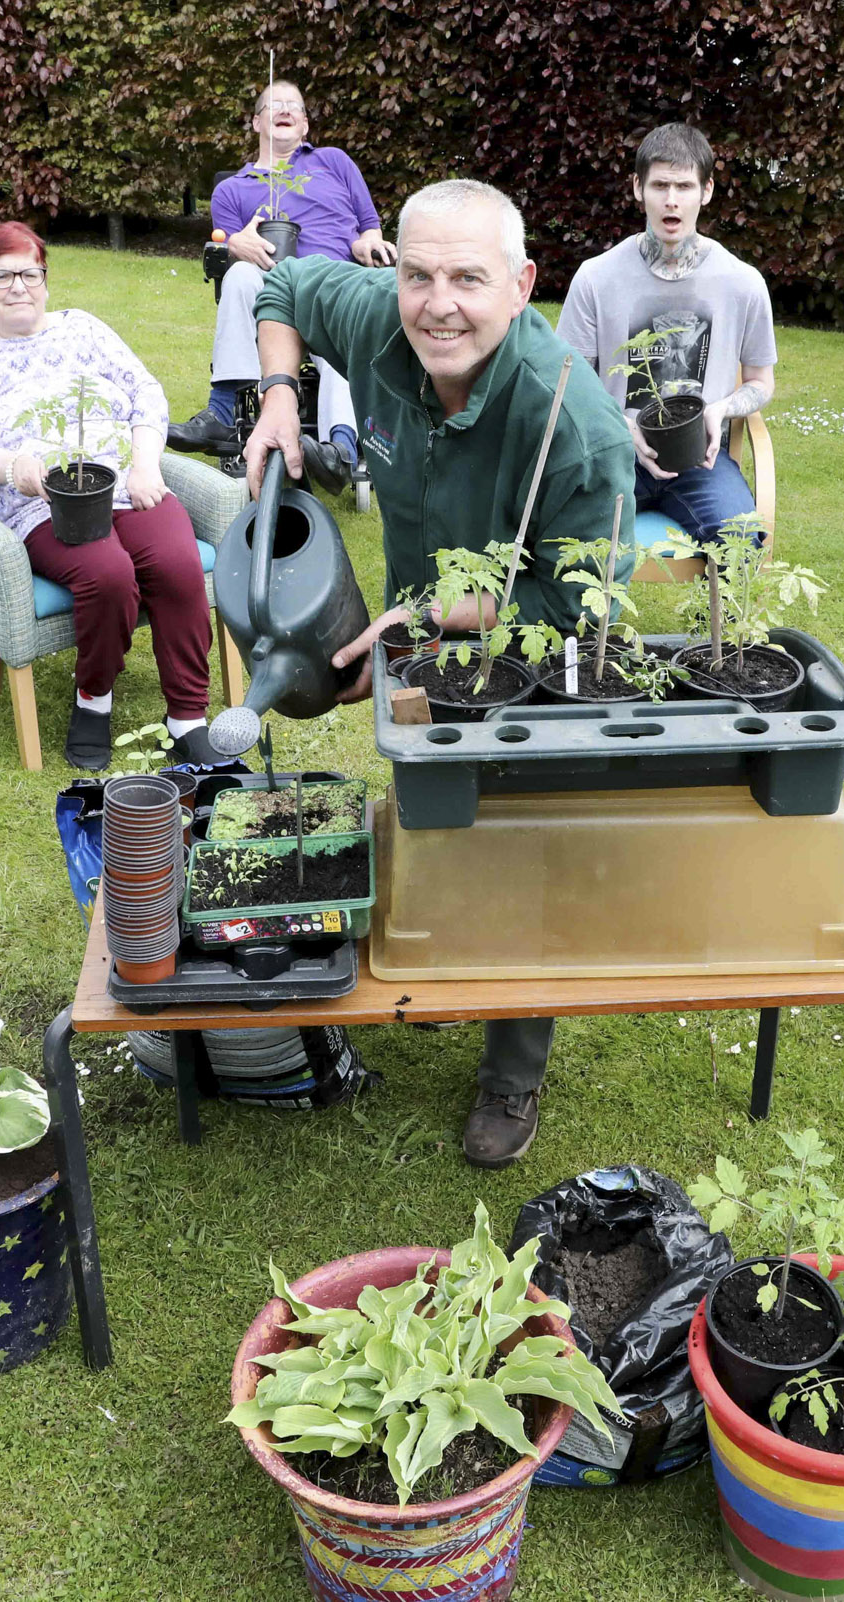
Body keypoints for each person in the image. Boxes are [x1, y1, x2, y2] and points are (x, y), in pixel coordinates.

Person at [245, 178, 635, 1169]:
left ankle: (513, 1070)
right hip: (414, 635)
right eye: (418, 274)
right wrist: (279, 398)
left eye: (468, 277)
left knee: (523, 852)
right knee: (429, 802)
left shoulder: (573, 426)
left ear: (521, 284)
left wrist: (428, 616)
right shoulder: (381, 318)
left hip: (534, 659)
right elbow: (282, 282)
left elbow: (581, 605)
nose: (438, 303)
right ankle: (450, 951)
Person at [0, 221, 217, 771]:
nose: (18, 286)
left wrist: (144, 465)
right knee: (107, 575)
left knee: (179, 563)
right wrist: (17, 468)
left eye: (30, 273)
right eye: (3, 275)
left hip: (123, 483)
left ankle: (187, 716)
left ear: (46, 279)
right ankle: (94, 700)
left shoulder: (82, 330)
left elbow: (145, 395)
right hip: (41, 501)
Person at [167, 78, 394, 493]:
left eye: (295, 105)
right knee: (237, 272)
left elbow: (369, 228)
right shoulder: (231, 189)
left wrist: (368, 243)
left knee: (344, 345)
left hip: (335, 284)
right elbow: (223, 250)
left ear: (305, 126)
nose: (285, 109)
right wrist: (235, 243)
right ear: (257, 123)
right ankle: (221, 413)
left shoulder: (335, 163)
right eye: (274, 105)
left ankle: (339, 451)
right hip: (269, 292)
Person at [557, 123, 775, 542]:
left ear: (706, 191)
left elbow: (761, 383)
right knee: (561, 530)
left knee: (741, 537)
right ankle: (592, 611)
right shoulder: (596, 278)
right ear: (638, 188)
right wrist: (623, 426)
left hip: (700, 462)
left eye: (684, 186)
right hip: (612, 454)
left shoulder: (742, 283)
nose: (671, 200)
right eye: (659, 185)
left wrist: (721, 409)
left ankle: (716, 611)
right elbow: (571, 386)